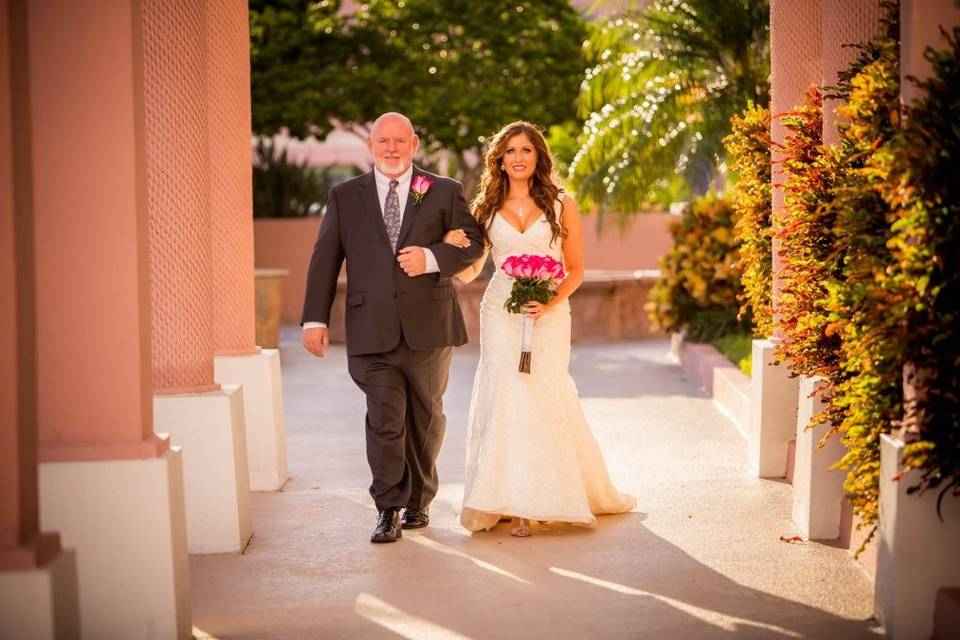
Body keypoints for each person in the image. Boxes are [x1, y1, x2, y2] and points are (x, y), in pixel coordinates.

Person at [443, 121, 635, 537]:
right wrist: (455, 251)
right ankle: (511, 502)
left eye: (526, 150)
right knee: (505, 395)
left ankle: (545, 494)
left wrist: (549, 301)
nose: (517, 157)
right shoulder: (486, 208)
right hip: (500, 312)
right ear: (499, 158)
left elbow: (577, 269)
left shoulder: (563, 203)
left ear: (538, 156)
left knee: (543, 392)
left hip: (549, 312)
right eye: (510, 150)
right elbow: (476, 269)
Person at [301, 112, 484, 543]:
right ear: (370, 145)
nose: (392, 148)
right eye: (383, 141)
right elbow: (325, 259)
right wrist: (315, 318)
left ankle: (420, 500)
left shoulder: (443, 191)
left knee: (426, 417)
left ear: (414, 144)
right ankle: (388, 507)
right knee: (384, 419)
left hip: (430, 326)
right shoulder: (345, 197)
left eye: (400, 141)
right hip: (371, 330)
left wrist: (433, 258)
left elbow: (473, 243)